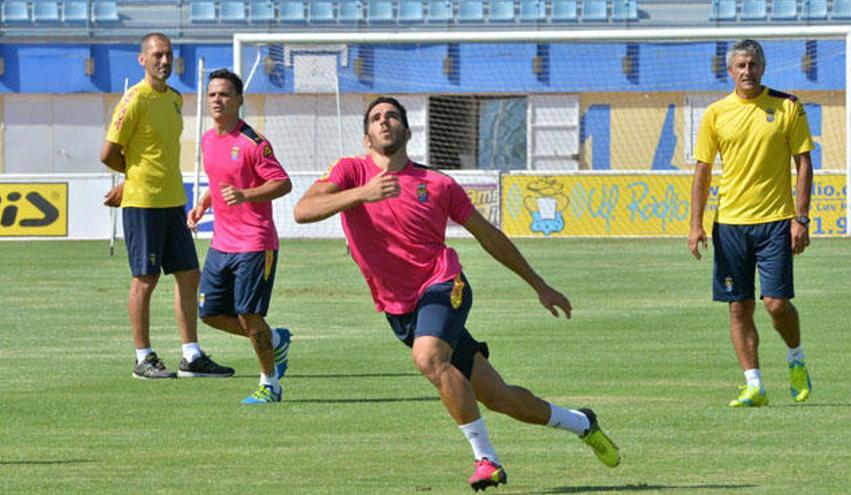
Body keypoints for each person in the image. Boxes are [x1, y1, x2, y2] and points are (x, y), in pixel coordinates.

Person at [294, 96, 620, 491]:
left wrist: (539, 284)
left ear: (407, 131)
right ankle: (582, 422)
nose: (385, 122)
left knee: (428, 357)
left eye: (393, 116)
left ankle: (487, 460)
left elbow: (489, 237)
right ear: (366, 138)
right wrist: (361, 194)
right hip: (399, 308)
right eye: (377, 118)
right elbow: (303, 210)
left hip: (444, 285)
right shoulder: (350, 172)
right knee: (499, 398)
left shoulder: (439, 184)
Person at [99, 32, 234, 380]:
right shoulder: (134, 100)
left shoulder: (175, 99)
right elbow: (108, 154)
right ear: (142, 59)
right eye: (157, 55)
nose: (164, 61)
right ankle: (143, 357)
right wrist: (131, 179)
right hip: (143, 203)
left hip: (174, 202)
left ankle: (191, 355)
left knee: (189, 276)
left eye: (169, 55)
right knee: (145, 279)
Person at [689, 39, 814, 408]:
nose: (747, 71)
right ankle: (753, 384)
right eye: (740, 65)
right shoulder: (715, 113)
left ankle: (796, 359)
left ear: (763, 67)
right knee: (738, 306)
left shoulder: (788, 106)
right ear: (730, 71)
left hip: (776, 221)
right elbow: (703, 169)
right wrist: (695, 224)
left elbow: (803, 164)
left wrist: (801, 218)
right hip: (729, 225)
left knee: (776, 304)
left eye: (753, 65)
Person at [187, 69, 293, 404]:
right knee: (209, 314)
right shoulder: (207, 140)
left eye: (224, 95)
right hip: (221, 243)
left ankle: (269, 383)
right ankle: (274, 339)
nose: (217, 100)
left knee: (248, 314)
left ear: (239, 101)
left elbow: (283, 183)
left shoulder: (254, 144)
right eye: (212, 95)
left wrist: (246, 195)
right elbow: (219, 181)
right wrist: (203, 204)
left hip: (254, 243)